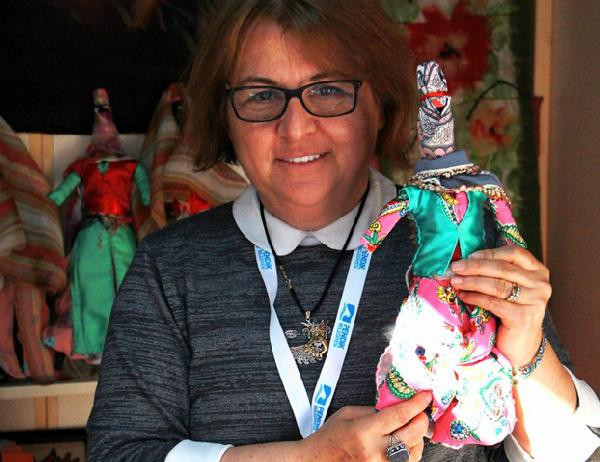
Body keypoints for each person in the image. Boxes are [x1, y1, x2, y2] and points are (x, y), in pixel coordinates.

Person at [86, 1, 600, 461]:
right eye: (261, 95)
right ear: (225, 116)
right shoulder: (169, 269)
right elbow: (118, 452)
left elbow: (567, 453)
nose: (295, 128)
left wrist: (528, 350)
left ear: (381, 105)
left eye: (329, 90)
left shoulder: (463, 241)